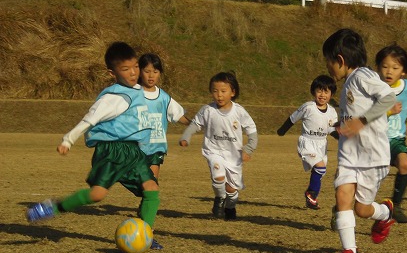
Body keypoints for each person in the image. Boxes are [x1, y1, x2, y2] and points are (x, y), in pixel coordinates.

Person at [25, 41, 162, 248]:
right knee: (97, 194)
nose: (133, 72)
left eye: (135, 66)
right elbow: (90, 119)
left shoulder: (136, 90)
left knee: (151, 189)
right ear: (111, 73)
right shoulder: (113, 97)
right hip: (112, 151)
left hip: (132, 151)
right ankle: (53, 208)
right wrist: (68, 139)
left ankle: (146, 234)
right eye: (126, 69)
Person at [322, 28, 398, 253]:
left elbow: (388, 99)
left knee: (362, 210)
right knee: (342, 194)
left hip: (372, 156)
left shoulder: (363, 76)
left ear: (341, 60)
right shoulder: (347, 86)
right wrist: (341, 126)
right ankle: (349, 252)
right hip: (349, 155)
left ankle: (385, 213)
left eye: (329, 62)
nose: (328, 68)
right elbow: (352, 116)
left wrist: (361, 121)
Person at [179, 72, 258, 220]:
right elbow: (195, 125)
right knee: (218, 176)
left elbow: (252, 132)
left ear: (233, 92)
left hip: (234, 156)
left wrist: (248, 149)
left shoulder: (239, 112)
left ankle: (230, 207)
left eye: (223, 91)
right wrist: (186, 137)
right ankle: (219, 199)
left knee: (232, 189)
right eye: (215, 91)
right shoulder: (207, 110)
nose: (219, 95)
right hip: (214, 151)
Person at [276, 74, 339, 210]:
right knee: (320, 167)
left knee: (320, 171)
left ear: (331, 94)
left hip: (322, 144)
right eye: (319, 90)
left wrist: (340, 137)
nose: (322, 94)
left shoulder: (332, 112)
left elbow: (331, 129)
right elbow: (293, 118)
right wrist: (282, 130)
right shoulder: (308, 107)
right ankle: (311, 194)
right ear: (313, 91)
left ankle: (312, 198)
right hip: (308, 142)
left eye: (326, 91)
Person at [375, 44, 407, 223]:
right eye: (384, 66)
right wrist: (388, 111)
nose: (389, 72)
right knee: (365, 181)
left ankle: (396, 206)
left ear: (403, 72)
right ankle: (341, 209)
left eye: (395, 67)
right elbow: (366, 112)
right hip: (375, 138)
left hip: (395, 139)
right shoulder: (373, 88)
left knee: (405, 164)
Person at [138, 53, 191, 180]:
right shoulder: (133, 94)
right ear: (139, 71)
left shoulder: (164, 97)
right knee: (139, 183)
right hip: (136, 147)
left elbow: (178, 115)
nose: (151, 75)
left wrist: (193, 123)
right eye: (147, 71)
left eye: (155, 71)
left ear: (160, 73)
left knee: (152, 183)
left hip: (156, 147)